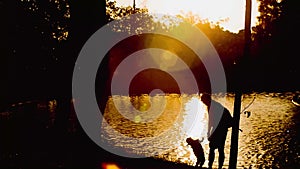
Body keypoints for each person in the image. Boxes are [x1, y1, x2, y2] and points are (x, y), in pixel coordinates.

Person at [201, 93, 233, 169]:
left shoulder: (213, 106)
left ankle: (214, 166)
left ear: (207, 99)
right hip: (221, 128)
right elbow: (211, 120)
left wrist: (209, 132)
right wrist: (209, 132)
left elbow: (212, 121)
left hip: (221, 128)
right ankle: (214, 166)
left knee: (215, 148)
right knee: (218, 149)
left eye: (203, 101)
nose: (203, 103)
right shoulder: (212, 105)